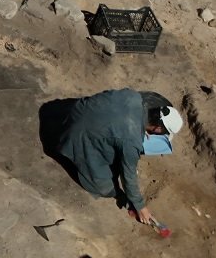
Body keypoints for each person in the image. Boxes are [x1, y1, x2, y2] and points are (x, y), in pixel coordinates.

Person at [57, 89, 184, 225]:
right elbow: (128, 175)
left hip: (75, 111)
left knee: (117, 144)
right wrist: (140, 206)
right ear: (158, 129)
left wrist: (141, 129)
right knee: (104, 187)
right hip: (74, 135)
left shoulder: (133, 97)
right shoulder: (131, 141)